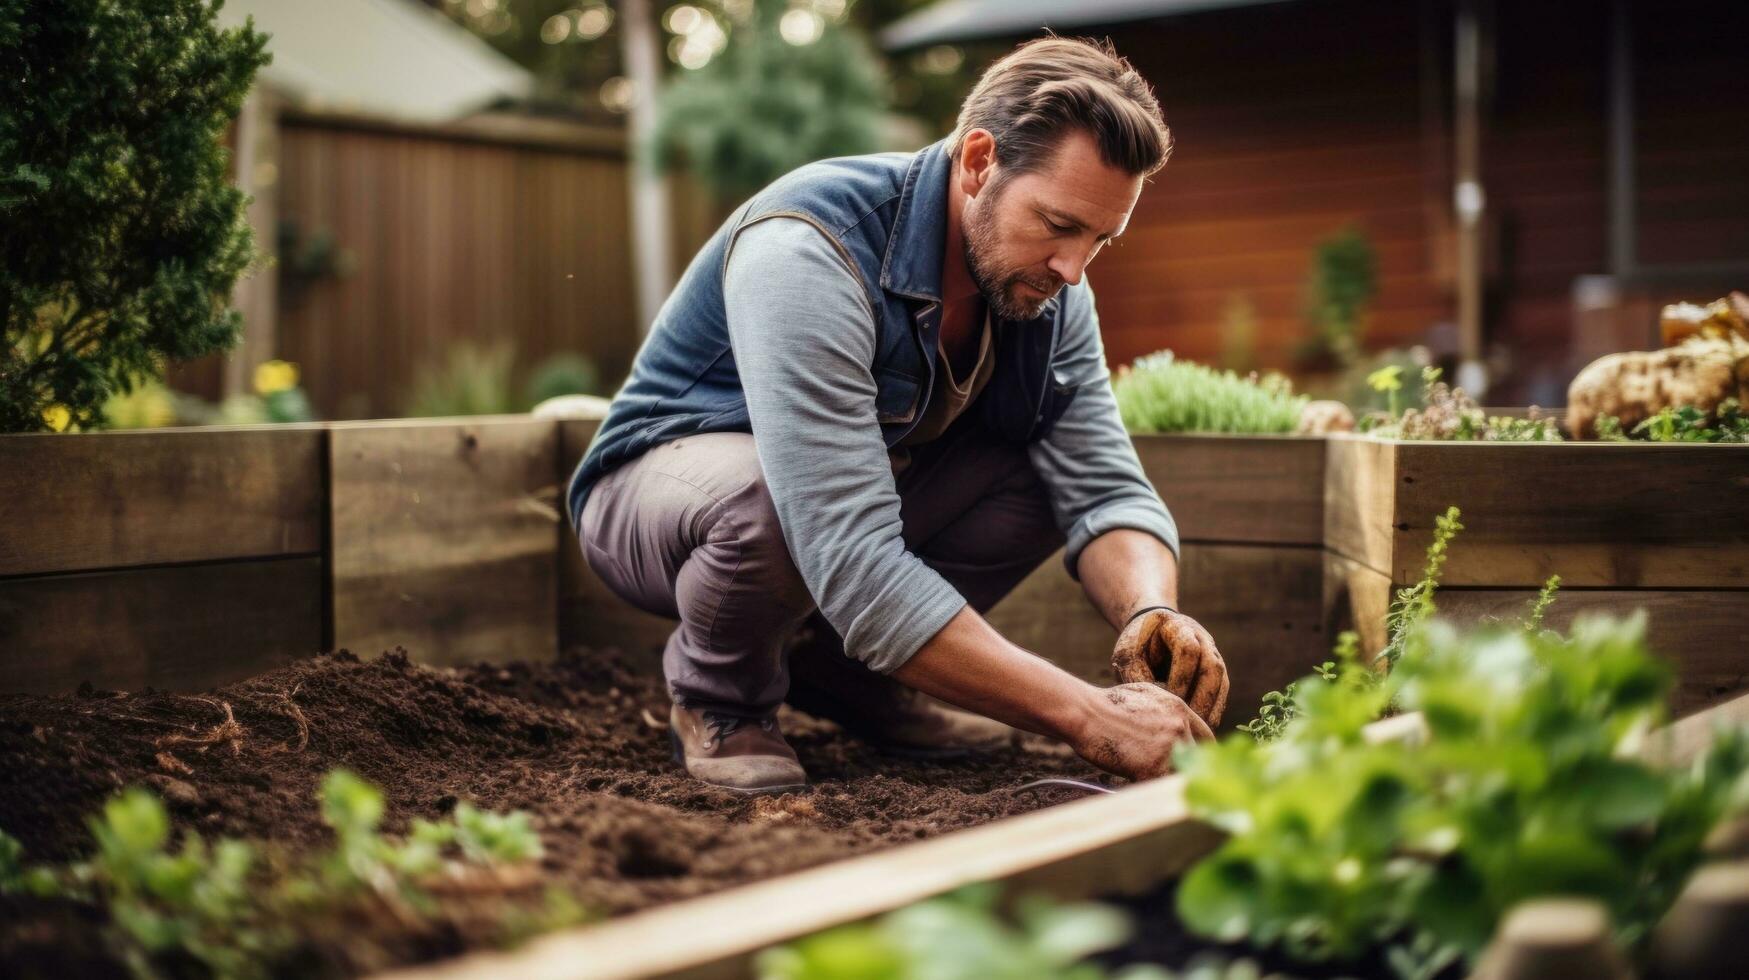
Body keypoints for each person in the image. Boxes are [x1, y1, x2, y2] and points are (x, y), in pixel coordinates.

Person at [568, 36, 1228, 794]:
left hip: (835, 510)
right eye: (1057, 223)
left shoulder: (1047, 291)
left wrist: (1151, 611)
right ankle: (720, 698)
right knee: (768, 501)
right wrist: (1084, 715)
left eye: (1098, 240)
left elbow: (1103, 485)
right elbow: (845, 548)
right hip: (658, 496)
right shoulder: (809, 254)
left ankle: (848, 681)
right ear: (978, 162)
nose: (1073, 269)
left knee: (1042, 470)